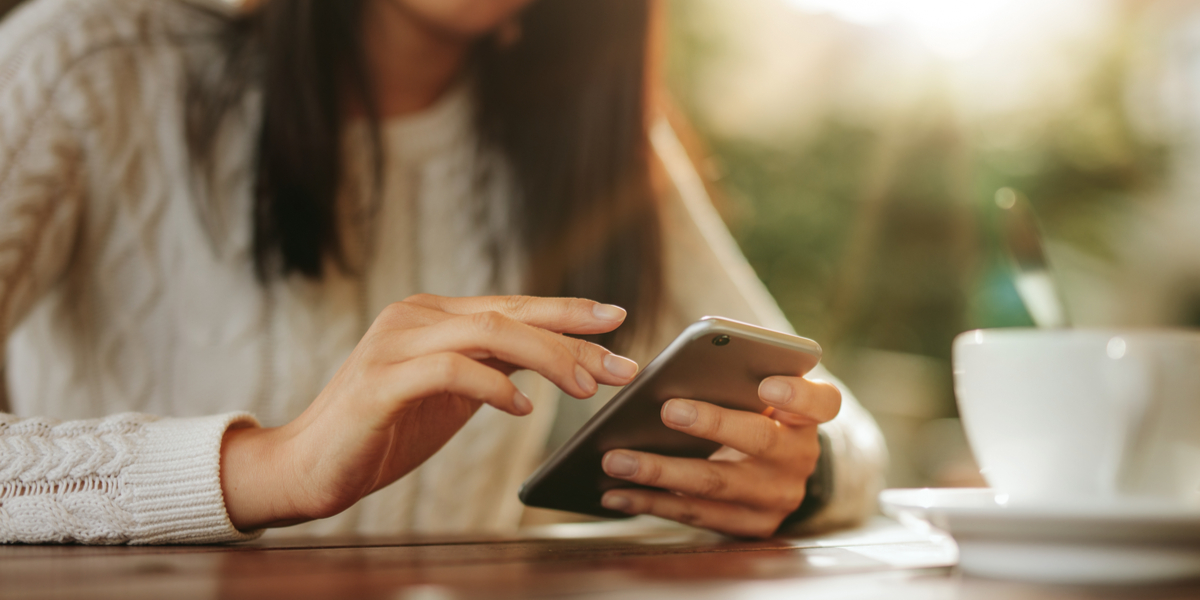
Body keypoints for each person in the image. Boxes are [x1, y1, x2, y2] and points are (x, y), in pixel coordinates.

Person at [0, 0, 885, 544]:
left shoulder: (598, 151)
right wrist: (271, 468)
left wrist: (797, 474)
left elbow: (839, 422)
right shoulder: (80, 67)